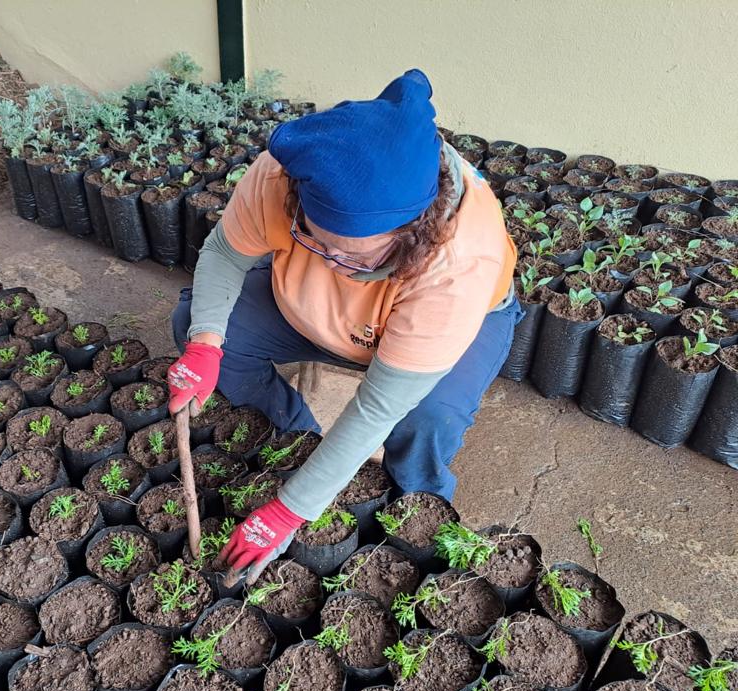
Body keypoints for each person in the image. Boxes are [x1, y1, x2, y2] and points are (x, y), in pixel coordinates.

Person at [167, 69, 521, 581]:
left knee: (427, 419)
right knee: (199, 321)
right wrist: (205, 344)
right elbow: (224, 252)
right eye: (318, 241)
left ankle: (414, 515)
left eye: (352, 257)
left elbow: (378, 405)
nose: (333, 262)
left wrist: (290, 512)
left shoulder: (458, 264)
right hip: (314, 310)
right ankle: (293, 438)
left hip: (439, 331)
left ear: (412, 232)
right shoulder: (288, 174)